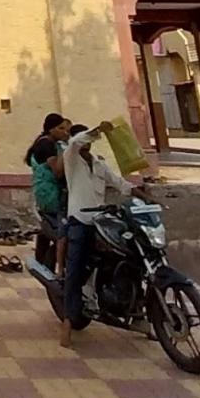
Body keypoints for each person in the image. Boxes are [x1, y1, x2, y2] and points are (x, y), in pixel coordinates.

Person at [60, 120, 134, 348]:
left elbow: (119, 183)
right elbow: (76, 141)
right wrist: (97, 131)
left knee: (126, 255)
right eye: (85, 140)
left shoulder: (99, 165)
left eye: (90, 141)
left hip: (101, 223)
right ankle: (67, 321)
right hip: (80, 222)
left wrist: (141, 193)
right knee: (74, 271)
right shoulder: (71, 159)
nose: (87, 145)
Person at [26, 111, 69, 269]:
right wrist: (67, 152)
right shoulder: (46, 145)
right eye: (61, 128)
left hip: (47, 191)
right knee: (62, 229)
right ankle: (61, 271)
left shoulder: (50, 143)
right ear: (51, 129)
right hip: (49, 193)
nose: (64, 132)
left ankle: (42, 257)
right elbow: (57, 171)